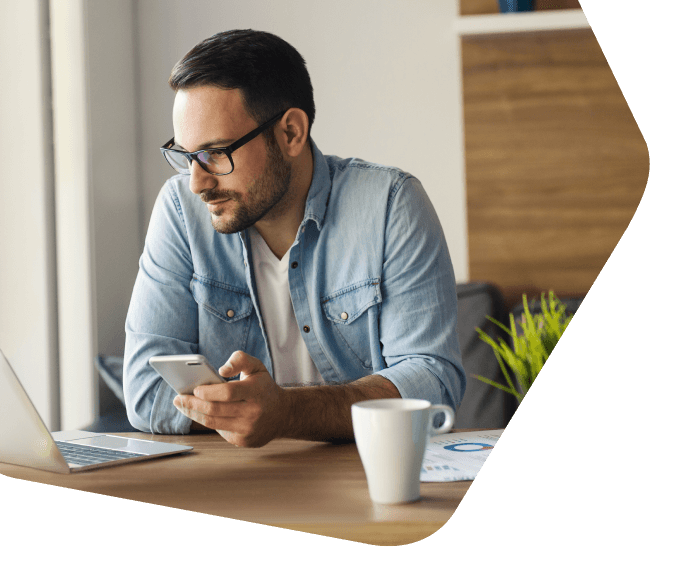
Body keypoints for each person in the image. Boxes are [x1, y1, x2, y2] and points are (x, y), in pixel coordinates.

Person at [123, 29, 465, 448]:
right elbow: (144, 391)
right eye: (186, 156)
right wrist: (249, 414)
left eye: (216, 153)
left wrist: (286, 413)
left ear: (290, 133)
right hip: (237, 481)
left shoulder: (391, 204)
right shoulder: (180, 211)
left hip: (365, 476)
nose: (196, 183)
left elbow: (432, 380)